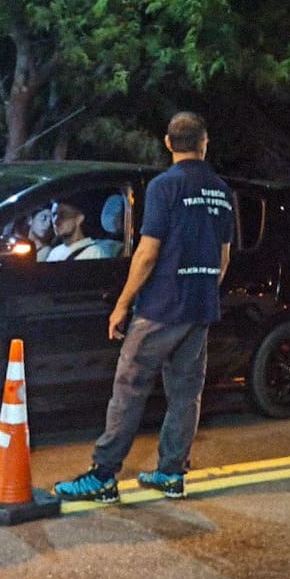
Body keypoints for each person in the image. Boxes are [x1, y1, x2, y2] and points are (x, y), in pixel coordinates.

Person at [54, 112, 233, 502]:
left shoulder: (164, 187)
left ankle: (103, 475)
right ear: (204, 143)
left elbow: (148, 252)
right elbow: (223, 258)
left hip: (161, 306)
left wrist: (122, 304)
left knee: (129, 387)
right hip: (200, 306)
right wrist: (201, 291)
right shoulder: (222, 191)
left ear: (168, 143)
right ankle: (171, 473)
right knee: (186, 394)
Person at [44, 200, 109, 261]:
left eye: (63, 215)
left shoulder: (94, 253)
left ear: (79, 219)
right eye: (54, 215)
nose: (55, 221)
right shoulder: (55, 252)